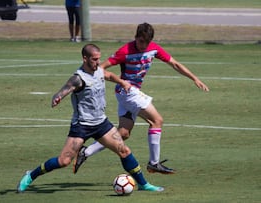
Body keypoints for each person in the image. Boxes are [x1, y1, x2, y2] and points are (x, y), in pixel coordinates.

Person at [17, 44, 164, 193]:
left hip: (101, 123)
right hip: (82, 126)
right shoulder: (78, 78)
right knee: (64, 161)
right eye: (94, 59)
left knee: (124, 151)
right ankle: (31, 175)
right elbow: (64, 90)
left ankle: (144, 184)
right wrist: (57, 97)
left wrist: (122, 82)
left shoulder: (98, 70)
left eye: (99, 59)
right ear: (85, 58)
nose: (98, 62)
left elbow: (109, 75)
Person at [73, 22, 210, 174]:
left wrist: (194, 78)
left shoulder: (154, 49)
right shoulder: (125, 51)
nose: (143, 45)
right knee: (157, 121)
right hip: (128, 92)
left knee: (123, 133)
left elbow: (175, 64)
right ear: (135, 37)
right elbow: (101, 69)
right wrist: (115, 81)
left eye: (146, 42)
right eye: (140, 41)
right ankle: (154, 163)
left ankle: (86, 152)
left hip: (130, 94)